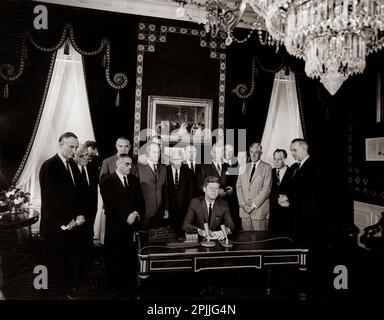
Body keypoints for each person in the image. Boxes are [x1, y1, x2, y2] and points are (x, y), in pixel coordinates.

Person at [39, 132, 86, 298]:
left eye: (75, 147)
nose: (74, 150)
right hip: (55, 225)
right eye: (71, 147)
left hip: (72, 224)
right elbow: (51, 199)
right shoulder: (49, 166)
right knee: (56, 264)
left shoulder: (72, 165)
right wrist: (68, 220)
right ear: (60, 145)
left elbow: (80, 193)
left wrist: (80, 214)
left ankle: (67, 290)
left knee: (69, 260)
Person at [100, 154, 143, 288]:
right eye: (127, 164)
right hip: (115, 226)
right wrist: (126, 216)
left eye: (131, 164)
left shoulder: (134, 180)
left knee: (129, 255)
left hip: (131, 225)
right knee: (115, 255)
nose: (130, 167)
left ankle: (129, 283)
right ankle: (113, 284)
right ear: (118, 164)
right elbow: (110, 204)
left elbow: (140, 200)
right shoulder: (108, 181)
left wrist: (136, 212)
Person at [279, 138, 321, 246]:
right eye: (291, 150)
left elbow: (309, 189)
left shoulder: (314, 165)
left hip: (308, 215)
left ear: (304, 149)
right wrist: (281, 198)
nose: (292, 153)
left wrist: (288, 197)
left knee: (306, 245)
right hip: (294, 214)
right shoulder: (293, 167)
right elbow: (283, 186)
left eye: (294, 150)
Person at [73, 144, 99, 285]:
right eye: (81, 155)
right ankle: (75, 279)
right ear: (74, 156)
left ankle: (86, 276)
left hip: (90, 214)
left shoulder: (92, 168)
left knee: (87, 246)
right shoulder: (70, 170)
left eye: (87, 155)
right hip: (76, 216)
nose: (85, 158)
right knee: (76, 247)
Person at [236, 143, 272, 231]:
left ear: (261, 153)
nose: (253, 154)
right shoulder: (243, 167)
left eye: (256, 152)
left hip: (259, 211)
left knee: (260, 241)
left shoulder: (267, 167)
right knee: (246, 240)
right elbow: (238, 186)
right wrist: (243, 204)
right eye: (251, 152)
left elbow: (266, 190)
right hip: (244, 211)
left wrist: (252, 206)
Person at [137, 142, 168, 230]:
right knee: (144, 239)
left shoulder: (163, 169)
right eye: (154, 152)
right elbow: (136, 192)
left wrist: (166, 209)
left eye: (158, 152)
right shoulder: (139, 168)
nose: (157, 155)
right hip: (144, 212)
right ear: (147, 153)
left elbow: (165, 191)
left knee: (157, 240)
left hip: (160, 213)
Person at [166, 149, 194, 237]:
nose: (177, 162)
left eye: (179, 159)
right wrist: (165, 208)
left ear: (182, 159)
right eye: (174, 159)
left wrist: (190, 209)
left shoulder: (188, 172)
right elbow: (164, 191)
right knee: (170, 233)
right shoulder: (165, 171)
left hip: (184, 208)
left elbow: (191, 192)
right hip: (169, 207)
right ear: (170, 160)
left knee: (182, 232)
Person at [269, 149, 293, 235]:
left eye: (279, 159)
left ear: (285, 159)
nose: (276, 162)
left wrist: (287, 200)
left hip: (287, 214)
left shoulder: (293, 172)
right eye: (274, 159)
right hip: (273, 214)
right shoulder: (270, 172)